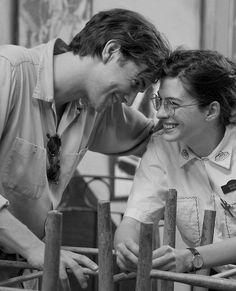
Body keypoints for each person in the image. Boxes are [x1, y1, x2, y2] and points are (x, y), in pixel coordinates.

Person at [0, 8, 170, 290]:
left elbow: (159, 139)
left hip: (19, 272)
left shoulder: (95, 107)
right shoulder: (9, 71)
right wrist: (35, 249)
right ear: (111, 51)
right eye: (135, 84)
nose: (128, 101)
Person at [114, 49, 236, 278]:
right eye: (160, 101)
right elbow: (135, 219)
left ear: (211, 110)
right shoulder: (162, 147)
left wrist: (192, 257)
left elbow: (192, 258)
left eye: (173, 104)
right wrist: (126, 248)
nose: (159, 114)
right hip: (221, 281)